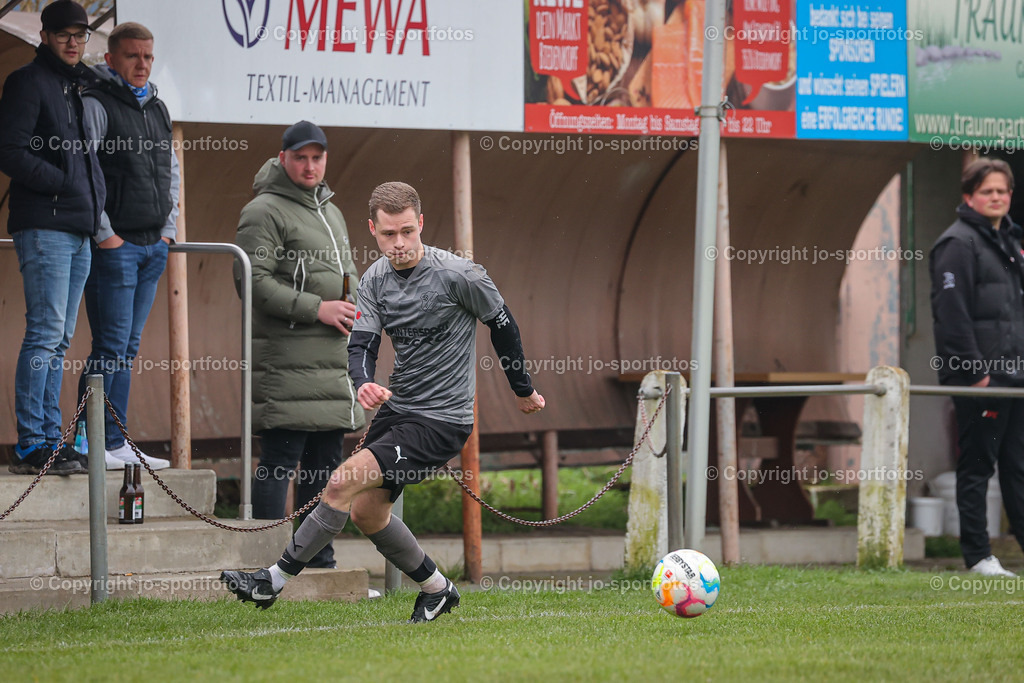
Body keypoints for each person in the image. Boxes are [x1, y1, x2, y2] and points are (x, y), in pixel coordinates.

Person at [222, 181, 546, 621]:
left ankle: (271, 582)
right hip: (398, 410)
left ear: (421, 223)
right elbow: (362, 343)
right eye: (389, 234)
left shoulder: (461, 274)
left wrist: (523, 389)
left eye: (408, 231)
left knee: (340, 483)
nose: (400, 244)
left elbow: (503, 325)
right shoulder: (374, 279)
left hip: (442, 419)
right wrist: (363, 382)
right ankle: (438, 589)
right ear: (373, 229)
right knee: (367, 512)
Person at [232, 120, 365, 568]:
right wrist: (317, 308)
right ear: (283, 158)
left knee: (324, 466)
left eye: (317, 157)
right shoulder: (263, 210)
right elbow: (251, 281)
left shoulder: (331, 210)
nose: (310, 166)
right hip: (286, 362)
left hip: (331, 362)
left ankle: (316, 561)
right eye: (300, 157)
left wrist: (356, 303)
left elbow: (345, 275)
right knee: (280, 461)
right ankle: (266, 564)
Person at [0, 0, 105, 476]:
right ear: (44, 36)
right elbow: (10, 151)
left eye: (80, 34)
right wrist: (63, 183)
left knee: (59, 340)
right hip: (46, 225)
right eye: (63, 34)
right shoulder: (28, 81)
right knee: (45, 335)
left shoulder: (75, 85)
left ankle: (49, 439)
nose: (73, 42)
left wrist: (91, 199)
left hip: (77, 227)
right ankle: (31, 444)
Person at [76, 21, 178, 471]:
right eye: (133, 55)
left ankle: (112, 441)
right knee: (110, 347)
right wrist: (107, 235)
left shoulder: (157, 106)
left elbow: (171, 170)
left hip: (153, 245)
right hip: (115, 247)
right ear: (110, 58)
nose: (142, 64)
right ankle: (92, 441)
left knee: (126, 349)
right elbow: (85, 171)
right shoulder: (96, 103)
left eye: (148, 56)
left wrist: (168, 230)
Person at [930, 157, 1024, 577]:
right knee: (977, 466)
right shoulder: (957, 243)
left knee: (1018, 467)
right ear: (969, 197)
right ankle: (978, 557)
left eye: (1002, 190)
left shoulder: (1011, 241)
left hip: (1015, 376)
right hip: (982, 379)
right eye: (987, 191)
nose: (996, 197)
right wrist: (976, 374)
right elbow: (951, 315)